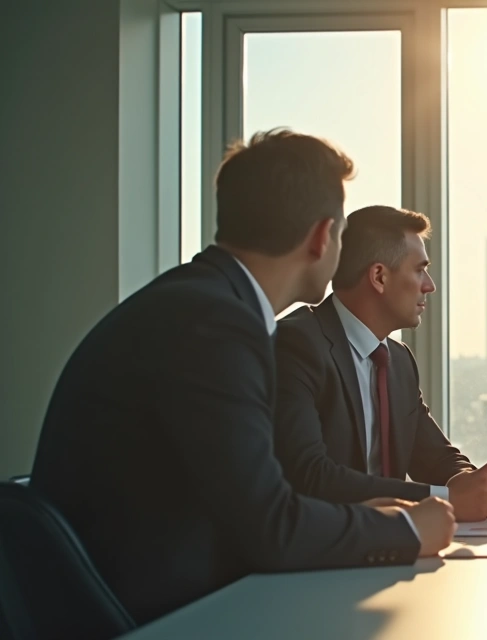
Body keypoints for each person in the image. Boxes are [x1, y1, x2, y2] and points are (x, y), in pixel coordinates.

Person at [31, 130, 455, 625]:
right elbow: (271, 526)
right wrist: (405, 530)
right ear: (322, 237)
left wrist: (374, 517)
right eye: (341, 234)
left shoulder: (202, 302)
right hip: (149, 614)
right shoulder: (217, 324)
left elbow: (261, 500)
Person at [275, 205, 487, 522]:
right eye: (419, 270)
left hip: (393, 547)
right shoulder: (297, 345)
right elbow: (311, 475)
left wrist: (471, 481)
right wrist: (444, 498)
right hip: (320, 550)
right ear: (379, 276)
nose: (429, 285)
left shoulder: (398, 360)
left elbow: (433, 455)